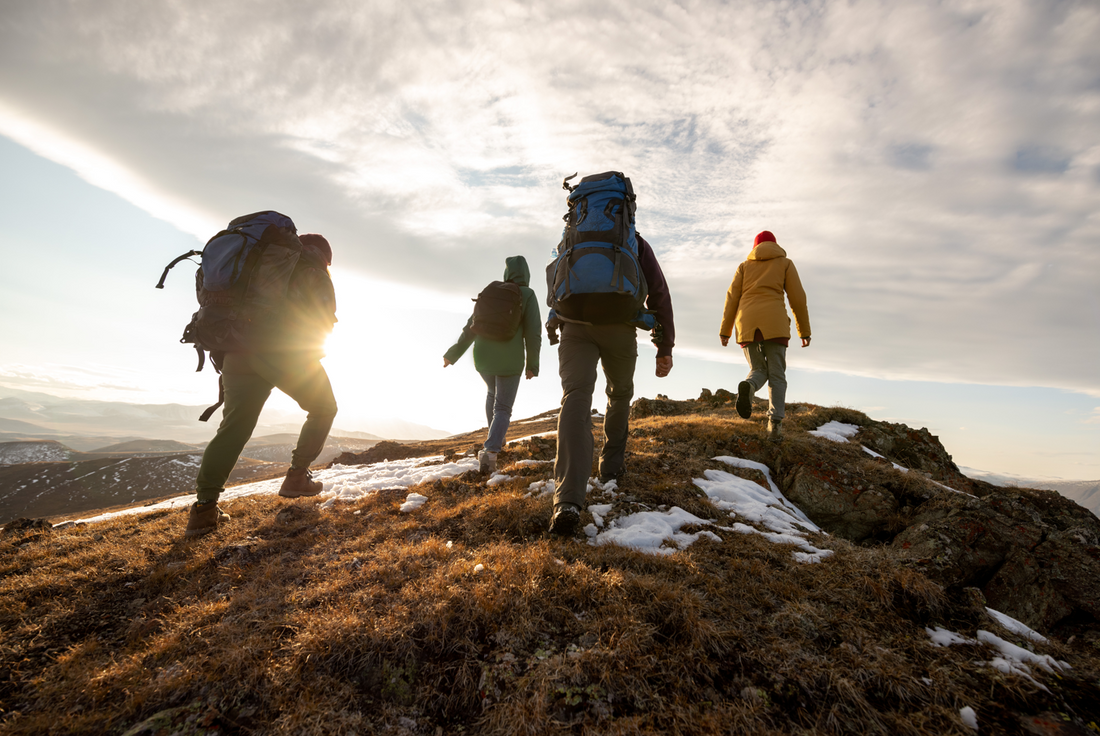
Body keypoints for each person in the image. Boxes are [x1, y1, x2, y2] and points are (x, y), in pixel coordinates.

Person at [185, 233, 339, 538]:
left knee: (233, 428)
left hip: (235, 351)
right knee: (323, 407)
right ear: (324, 256)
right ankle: (296, 477)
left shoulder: (254, 267)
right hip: (283, 352)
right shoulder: (311, 268)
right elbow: (323, 319)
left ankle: (204, 509)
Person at [548, 233, 675, 536]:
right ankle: (611, 468)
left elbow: (555, 281)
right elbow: (659, 292)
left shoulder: (572, 237)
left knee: (575, 397)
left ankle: (567, 501)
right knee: (619, 394)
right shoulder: (632, 241)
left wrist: (556, 321)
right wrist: (665, 346)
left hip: (574, 328)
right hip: (619, 326)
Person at [444, 256, 541, 475]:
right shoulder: (527, 295)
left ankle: (495, 438)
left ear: (507, 273)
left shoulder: (491, 292)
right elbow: (533, 333)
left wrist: (453, 354)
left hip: (483, 359)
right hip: (510, 361)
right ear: (526, 274)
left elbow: (471, 327)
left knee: (492, 394)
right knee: (503, 407)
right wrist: (533, 364)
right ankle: (491, 452)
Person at [719, 230, 811, 440]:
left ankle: (750, 386)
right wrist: (804, 331)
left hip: (747, 323)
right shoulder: (785, 263)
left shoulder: (744, 266)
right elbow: (798, 299)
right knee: (777, 373)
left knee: (758, 368)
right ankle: (775, 426)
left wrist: (725, 331)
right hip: (775, 323)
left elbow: (731, 298)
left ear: (755, 247)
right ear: (775, 245)